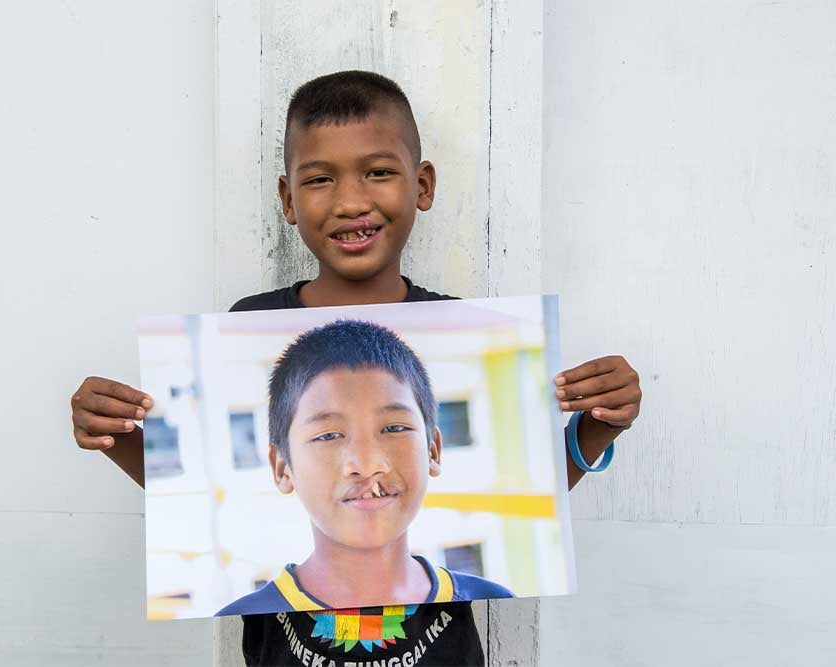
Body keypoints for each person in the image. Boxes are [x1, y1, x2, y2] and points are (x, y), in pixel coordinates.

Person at [70, 70, 643, 666]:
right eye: (320, 179)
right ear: (288, 200)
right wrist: (118, 436)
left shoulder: (459, 329)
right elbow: (190, 493)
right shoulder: (247, 326)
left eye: (378, 171)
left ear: (422, 185)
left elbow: (529, 487)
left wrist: (601, 422)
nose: (350, 201)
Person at [216, 319, 515, 619]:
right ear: (282, 468)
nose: (367, 464)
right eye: (328, 435)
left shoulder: (496, 608)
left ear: (433, 450)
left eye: (394, 427)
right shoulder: (239, 630)